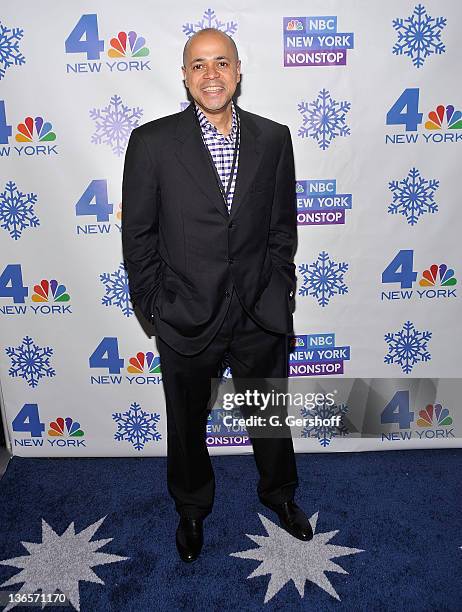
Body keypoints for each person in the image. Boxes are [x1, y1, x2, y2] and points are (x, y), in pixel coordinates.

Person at [122, 27, 313, 562]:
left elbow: (282, 227)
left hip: (258, 310)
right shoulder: (153, 143)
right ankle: (191, 507)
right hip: (186, 314)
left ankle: (281, 495)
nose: (211, 75)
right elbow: (138, 236)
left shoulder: (273, 139)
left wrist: (280, 287)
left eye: (221, 63)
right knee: (186, 425)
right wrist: (154, 306)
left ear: (238, 72)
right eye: (199, 65)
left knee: (269, 415)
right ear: (184, 76)